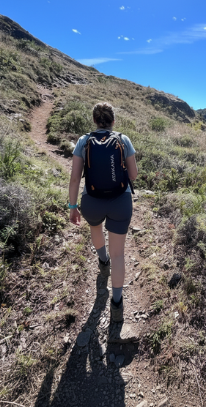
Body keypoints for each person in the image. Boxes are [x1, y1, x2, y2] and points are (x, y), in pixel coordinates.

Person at [68, 102, 138, 323]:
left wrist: (72, 207)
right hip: (120, 201)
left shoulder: (83, 141)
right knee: (120, 254)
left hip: (92, 200)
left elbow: (75, 178)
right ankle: (117, 304)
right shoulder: (123, 140)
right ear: (113, 121)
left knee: (95, 227)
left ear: (95, 121)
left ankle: (102, 261)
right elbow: (134, 176)